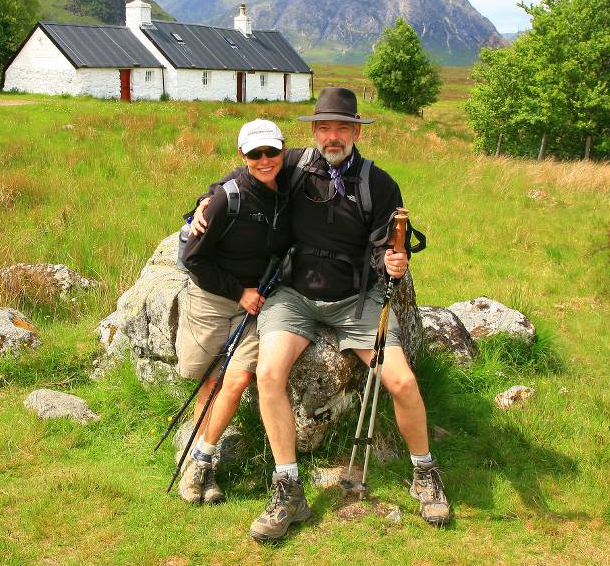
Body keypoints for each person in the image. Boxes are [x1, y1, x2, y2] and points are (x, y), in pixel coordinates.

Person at [192, 88, 450, 541]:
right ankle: (288, 488)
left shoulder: (378, 183)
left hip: (356, 301)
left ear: (355, 131)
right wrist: (200, 204)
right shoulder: (292, 165)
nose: (333, 136)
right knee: (270, 374)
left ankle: (424, 473)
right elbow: (247, 176)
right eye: (325, 127)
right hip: (294, 297)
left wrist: (395, 260)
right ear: (313, 131)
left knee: (401, 381)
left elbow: (390, 241)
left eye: (342, 128)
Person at [175, 119, 293, 505]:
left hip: (258, 303)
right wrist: (238, 292)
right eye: (255, 154)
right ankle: (196, 460)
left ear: (282, 151)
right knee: (208, 380)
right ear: (242, 156)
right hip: (214, 296)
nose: (264, 160)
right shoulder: (226, 198)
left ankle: (201, 462)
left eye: (271, 152)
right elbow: (194, 259)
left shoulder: (291, 182)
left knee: (238, 379)